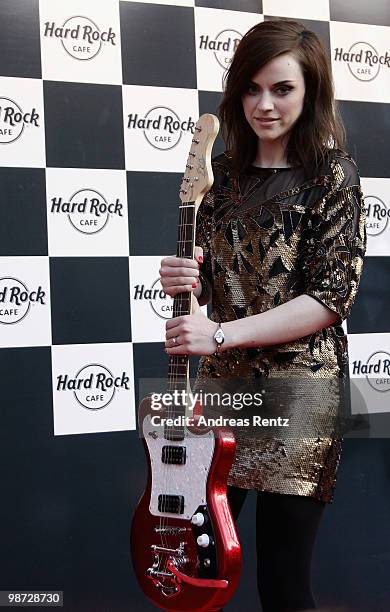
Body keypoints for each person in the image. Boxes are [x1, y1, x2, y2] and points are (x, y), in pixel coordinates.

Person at [159, 19, 366, 612]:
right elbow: (213, 288)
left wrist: (218, 333)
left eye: (282, 89)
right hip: (225, 391)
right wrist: (184, 282)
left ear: (311, 92)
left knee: (281, 578)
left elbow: (331, 297)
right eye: (251, 88)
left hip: (300, 393)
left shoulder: (332, 175)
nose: (264, 104)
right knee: (198, 569)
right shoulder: (218, 177)